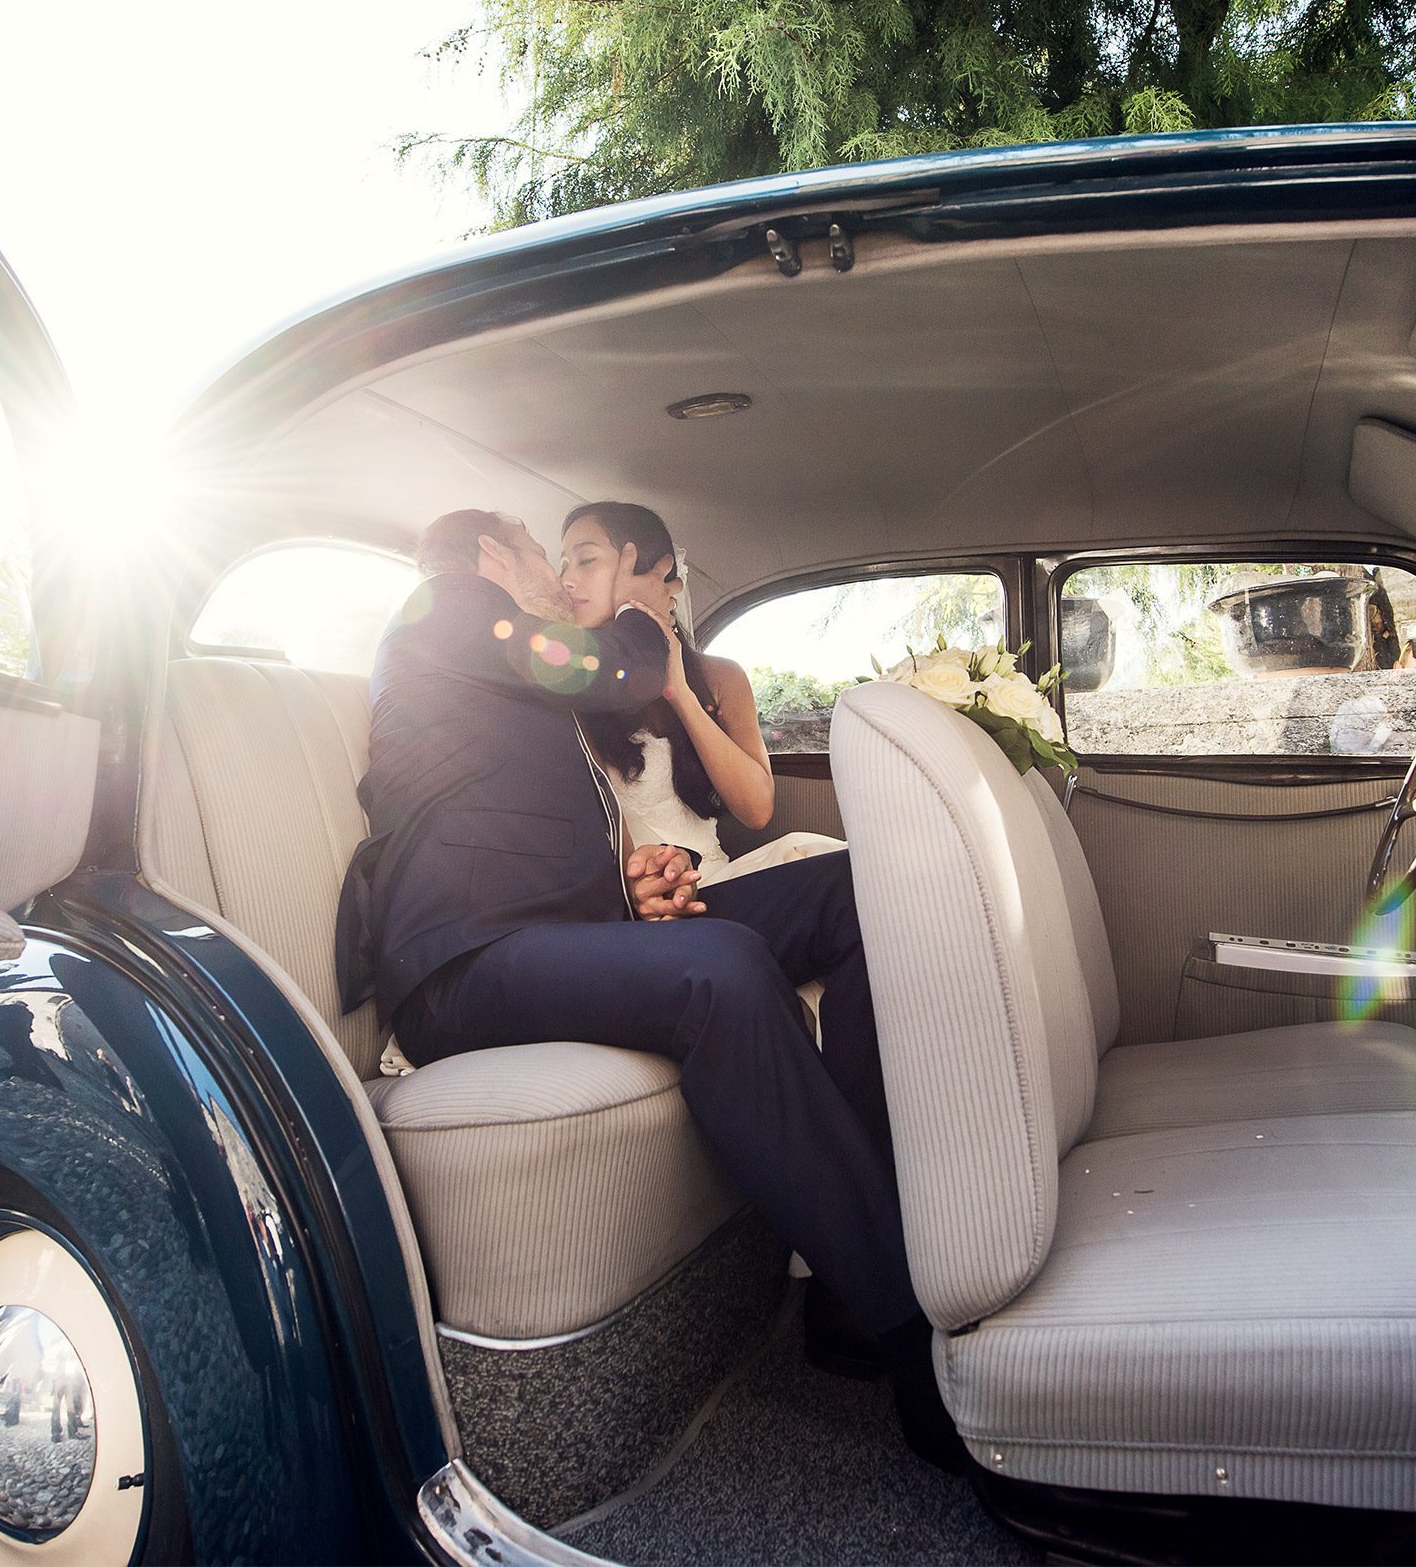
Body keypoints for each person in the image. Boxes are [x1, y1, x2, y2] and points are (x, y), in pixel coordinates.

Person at [334, 508, 961, 1468]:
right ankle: (912, 1329)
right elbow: (615, 668)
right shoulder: (446, 608)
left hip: (551, 934)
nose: (550, 571)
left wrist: (635, 878)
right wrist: (641, 614)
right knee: (723, 967)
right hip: (464, 965)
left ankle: (844, 1279)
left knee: (851, 889)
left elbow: (524, 817)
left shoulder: (488, 664)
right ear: (492, 558)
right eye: (542, 554)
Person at [557, 502, 844, 886]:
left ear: (644, 570)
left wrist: (682, 697)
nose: (567, 581)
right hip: (644, 898)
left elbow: (757, 811)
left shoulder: (720, 676)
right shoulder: (572, 688)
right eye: (563, 565)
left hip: (718, 876)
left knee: (835, 863)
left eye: (585, 560)